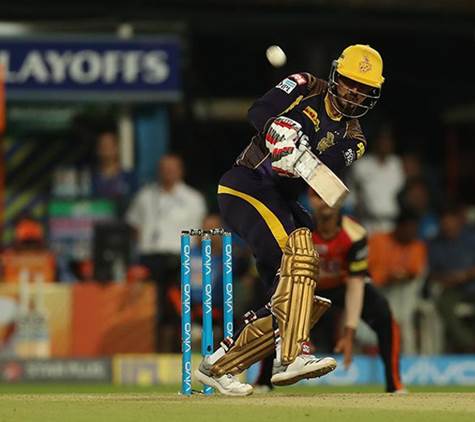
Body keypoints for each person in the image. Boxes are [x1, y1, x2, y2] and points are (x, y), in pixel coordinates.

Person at [193, 44, 385, 396]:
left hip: (282, 200)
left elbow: (324, 169)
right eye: (350, 83)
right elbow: (258, 111)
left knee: (291, 293)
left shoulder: (355, 139)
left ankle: (218, 366)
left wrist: (297, 155)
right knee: (298, 259)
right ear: (336, 76)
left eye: (364, 89)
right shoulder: (306, 85)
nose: (354, 93)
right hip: (247, 185)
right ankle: (292, 354)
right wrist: (275, 132)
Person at [255, 190, 404, 393]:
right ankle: (264, 381)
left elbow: (355, 284)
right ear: (310, 200)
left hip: (341, 287)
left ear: (340, 199)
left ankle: (395, 385)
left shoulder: (355, 234)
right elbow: (285, 276)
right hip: (304, 287)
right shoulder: (297, 230)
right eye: (318, 195)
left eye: (328, 194)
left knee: (383, 314)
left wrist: (349, 333)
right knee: (274, 311)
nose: (325, 200)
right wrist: (301, 335)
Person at [125, 154, 206, 352]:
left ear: (181, 171)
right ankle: (151, 350)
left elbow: (200, 232)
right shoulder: (145, 196)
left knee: (178, 308)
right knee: (151, 309)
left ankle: (179, 350)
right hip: (150, 259)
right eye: (164, 168)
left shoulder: (193, 199)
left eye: (172, 168)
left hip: (181, 259)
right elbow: (133, 227)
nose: (168, 172)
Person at [428, 206, 475, 353]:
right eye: (444, 223)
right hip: (452, 288)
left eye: (450, 222)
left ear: (458, 221)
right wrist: (449, 279)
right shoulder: (436, 244)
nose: (447, 226)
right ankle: (471, 344)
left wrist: (466, 275)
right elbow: (432, 273)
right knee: (443, 305)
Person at [368, 211, 427, 354]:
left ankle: (409, 357)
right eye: (409, 228)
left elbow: (415, 273)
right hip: (377, 291)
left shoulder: (417, 246)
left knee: (403, 314)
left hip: (404, 296)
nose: (412, 233)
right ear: (399, 227)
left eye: (415, 229)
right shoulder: (378, 240)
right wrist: (388, 276)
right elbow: (368, 270)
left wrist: (401, 276)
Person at [349, 126, 405, 233]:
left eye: (388, 140)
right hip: (368, 223)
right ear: (376, 142)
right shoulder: (361, 165)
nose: (385, 144)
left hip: (393, 224)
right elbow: (352, 194)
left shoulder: (398, 164)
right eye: (382, 140)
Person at [91, 131, 137, 213]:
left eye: (109, 145)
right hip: (99, 218)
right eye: (103, 146)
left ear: (116, 148)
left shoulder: (129, 177)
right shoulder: (91, 179)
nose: (106, 149)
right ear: (98, 150)